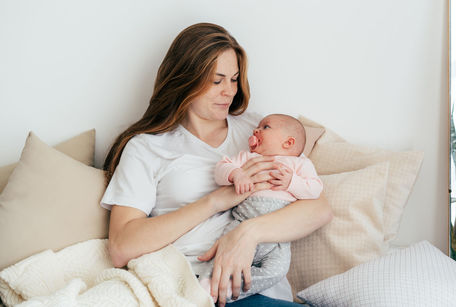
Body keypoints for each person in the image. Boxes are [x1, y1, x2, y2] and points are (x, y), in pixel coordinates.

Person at [101, 22, 333, 307]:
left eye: (234, 79)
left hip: (258, 282)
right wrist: (215, 201)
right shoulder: (147, 147)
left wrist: (248, 233)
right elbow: (122, 246)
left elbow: (319, 208)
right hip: (195, 285)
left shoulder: (259, 131)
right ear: (185, 78)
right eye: (217, 80)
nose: (229, 91)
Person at [199, 113, 323, 302]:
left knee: (277, 271)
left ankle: (231, 291)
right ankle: (205, 287)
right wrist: (236, 174)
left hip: (278, 237)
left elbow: (315, 189)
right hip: (241, 222)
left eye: (265, 127)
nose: (256, 130)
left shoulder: (299, 164)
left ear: (288, 143)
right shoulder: (248, 157)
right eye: (257, 126)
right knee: (220, 257)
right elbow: (221, 168)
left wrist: (292, 183)